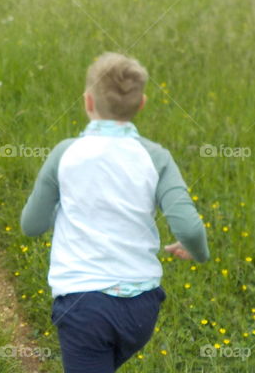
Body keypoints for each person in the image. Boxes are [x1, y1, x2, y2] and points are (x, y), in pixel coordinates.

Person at [20, 52, 209, 373]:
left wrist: (65, 212)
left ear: (88, 101)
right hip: (141, 309)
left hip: (84, 307)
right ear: (142, 104)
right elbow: (189, 228)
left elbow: (31, 225)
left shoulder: (65, 154)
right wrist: (196, 252)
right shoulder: (156, 157)